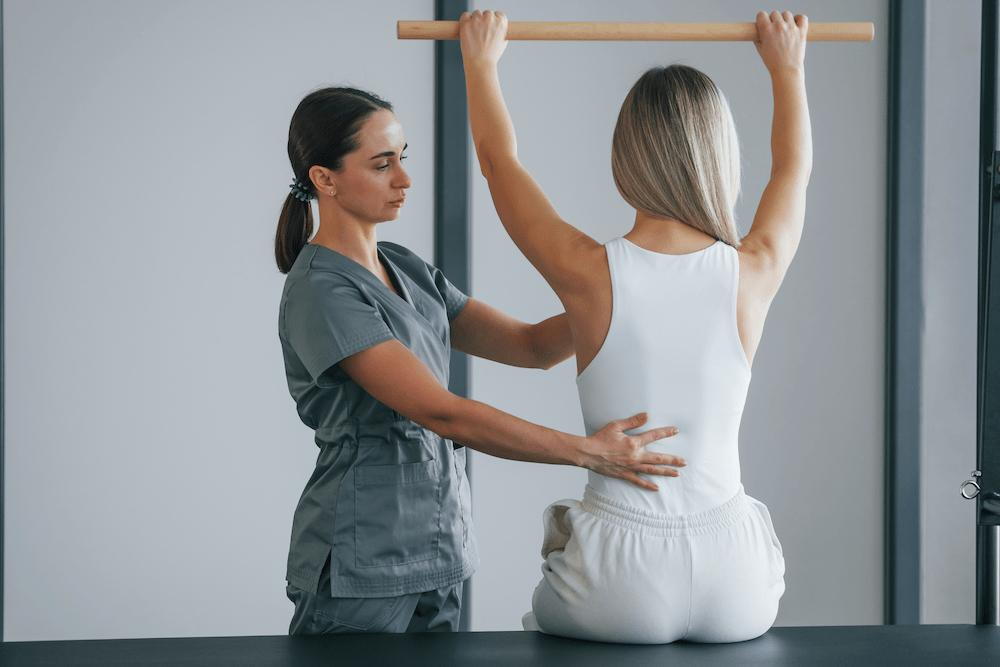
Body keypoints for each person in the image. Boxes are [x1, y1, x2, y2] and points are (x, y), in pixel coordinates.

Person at [275, 87, 687, 635]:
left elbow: (533, 347)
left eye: (403, 157)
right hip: (360, 559)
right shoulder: (322, 290)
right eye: (381, 164)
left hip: (439, 545)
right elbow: (441, 413)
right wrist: (587, 453)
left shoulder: (405, 267)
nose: (404, 178)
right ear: (324, 178)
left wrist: (624, 288)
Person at [459, 9, 810, 643]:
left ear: (625, 157)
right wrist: (788, 69)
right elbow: (792, 169)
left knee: (547, 601)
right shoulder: (753, 270)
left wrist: (480, 62)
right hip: (738, 580)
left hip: (616, 582)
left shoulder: (589, 272)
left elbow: (498, 162)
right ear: (720, 157)